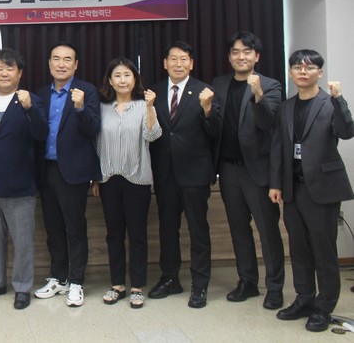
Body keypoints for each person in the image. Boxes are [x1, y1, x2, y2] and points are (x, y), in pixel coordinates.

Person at [270, 49, 354, 332]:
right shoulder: (286, 107)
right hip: (293, 188)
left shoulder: (329, 103)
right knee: (299, 248)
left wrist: (339, 99)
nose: (302, 71)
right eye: (297, 67)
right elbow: (278, 147)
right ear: (290, 72)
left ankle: (324, 306)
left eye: (309, 67)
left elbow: (346, 131)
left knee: (323, 249)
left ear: (319, 72)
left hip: (323, 189)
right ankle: (304, 298)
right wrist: (276, 183)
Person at [211, 32, 284, 309]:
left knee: (268, 232)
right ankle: (248, 282)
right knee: (239, 230)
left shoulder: (270, 85)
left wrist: (258, 95)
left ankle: (274, 288)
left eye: (247, 52)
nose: (241, 56)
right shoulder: (219, 84)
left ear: (257, 56)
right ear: (229, 56)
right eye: (235, 52)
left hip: (258, 172)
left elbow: (269, 124)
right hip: (228, 170)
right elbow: (214, 126)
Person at [0, 48, 48, 310]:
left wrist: (30, 109)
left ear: (20, 73)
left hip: (19, 184)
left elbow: (41, 134)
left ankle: (23, 287)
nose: (4, 73)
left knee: (23, 241)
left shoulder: (31, 100)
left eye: (10, 68)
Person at [148, 41, 219, 309]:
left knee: (198, 230)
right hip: (164, 173)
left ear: (192, 63)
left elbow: (215, 131)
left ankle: (200, 284)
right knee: (167, 229)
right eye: (173, 59)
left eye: (184, 59)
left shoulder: (204, 91)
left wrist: (208, 109)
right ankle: (170, 278)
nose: (178, 64)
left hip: (195, 174)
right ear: (165, 63)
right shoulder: (153, 92)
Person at [35, 42, 101, 307]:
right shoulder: (42, 93)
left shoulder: (87, 91)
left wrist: (81, 108)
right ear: (49, 63)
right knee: (53, 229)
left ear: (75, 65)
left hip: (73, 172)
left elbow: (94, 129)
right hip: (47, 170)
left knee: (75, 228)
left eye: (67, 59)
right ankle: (58, 277)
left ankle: (76, 281)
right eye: (56, 59)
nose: (61, 64)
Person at [93, 58, 161, 309]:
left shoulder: (144, 106)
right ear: (110, 81)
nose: (122, 80)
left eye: (127, 75)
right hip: (109, 178)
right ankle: (117, 285)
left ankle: (137, 286)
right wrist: (96, 178)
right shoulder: (102, 108)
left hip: (137, 178)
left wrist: (151, 108)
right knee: (114, 234)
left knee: (137, 234)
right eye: (117, 75)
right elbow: (97, 144)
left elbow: (152, 135)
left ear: (135, 79)